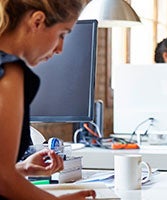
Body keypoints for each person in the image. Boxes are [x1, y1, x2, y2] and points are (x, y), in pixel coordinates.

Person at [0, 0, 95, 199]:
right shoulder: (9, 74)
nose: (60, 48)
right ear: (37, 22)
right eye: (62, 34)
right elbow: (3, 179)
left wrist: (22, 168)